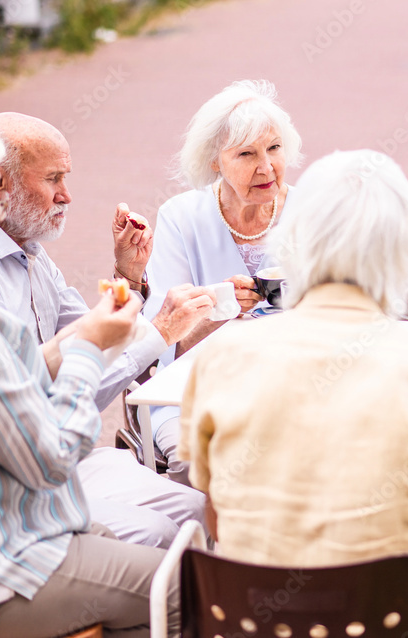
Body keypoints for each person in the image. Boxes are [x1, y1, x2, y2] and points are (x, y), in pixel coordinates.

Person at [179, 150, 408, 637]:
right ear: (398, 251)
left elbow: (216, 512)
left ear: (296, 243)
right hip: (383, 619)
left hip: (249, 621)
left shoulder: (222, 356)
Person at [0, 111, 180, 638]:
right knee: (183, 584)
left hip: (17, 512)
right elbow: (48, 460)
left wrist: (125, 283)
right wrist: (87, 349)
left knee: (177, 522)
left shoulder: (28, 260)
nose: (68, 195)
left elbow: (40, 361)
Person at [144, 79, 303, 485]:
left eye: (274, 148)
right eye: (246, 154)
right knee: (205, 465)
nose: (266, 167)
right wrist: (221, 308)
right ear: (215, 160)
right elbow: (163, 339)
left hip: (295, 387)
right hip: (195, 392)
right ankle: (205, 548)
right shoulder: (182, 217)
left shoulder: (310, 211)